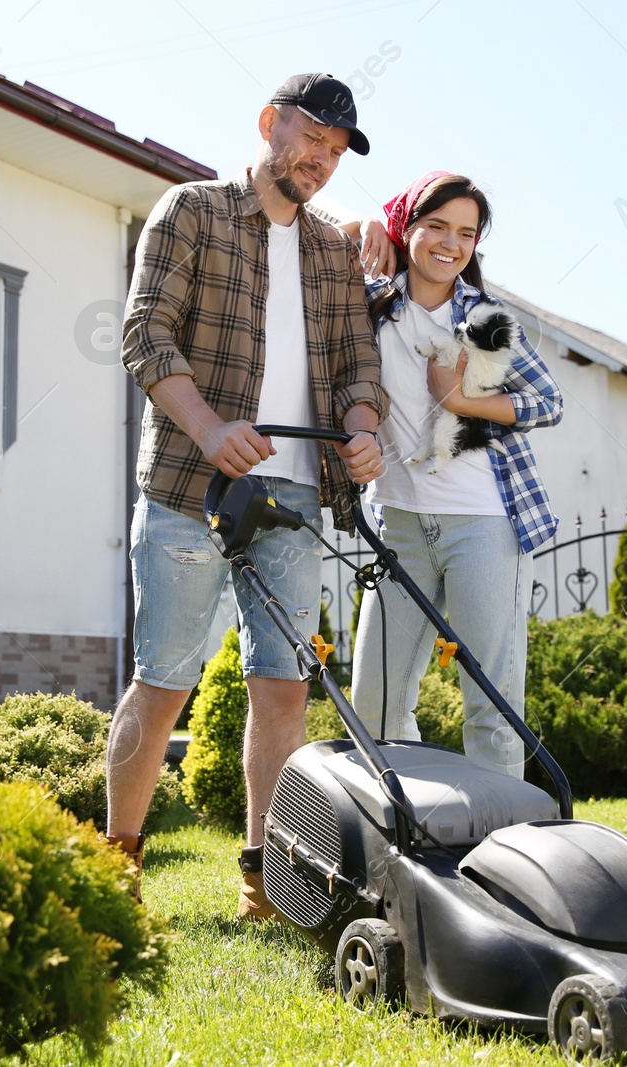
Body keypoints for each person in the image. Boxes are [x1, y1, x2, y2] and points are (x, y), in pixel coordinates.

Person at [109, 74, 387, 920]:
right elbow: (145, 332)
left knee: (283, 687)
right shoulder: (189, 211)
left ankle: (264, 880)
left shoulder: (335, 250)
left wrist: (365, 426)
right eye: (312, 139)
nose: (322, 161)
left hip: (296, 495)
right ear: (270, 124)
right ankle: (115, 863)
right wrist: (209, 427)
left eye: (338, 152)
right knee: (164, 681)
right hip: (192, 486)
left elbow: (355, 365)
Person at [343, 171, 563, 779]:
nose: (451, 243)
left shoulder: (484, 319)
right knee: (376, 702)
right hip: (402, 524)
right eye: (436, 226)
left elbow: (548, 403)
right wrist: (365, 225)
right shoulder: (371, 303)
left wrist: (464, 403)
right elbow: (309, 246)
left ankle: (501, 852)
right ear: (406, 229)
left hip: (484, 524)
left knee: (490, 704)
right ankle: (409, 830)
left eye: (466, 233)